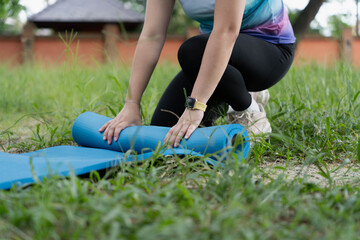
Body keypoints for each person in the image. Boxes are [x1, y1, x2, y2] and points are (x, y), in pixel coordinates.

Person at [99, 0, 296, 148]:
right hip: (212, 54)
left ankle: (248, 109)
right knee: (165, 127)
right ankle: (236, 91)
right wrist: (131, 105)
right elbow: (152, 35)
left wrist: (196, 105)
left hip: (270, 50)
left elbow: (226, 31)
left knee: (191, 51)